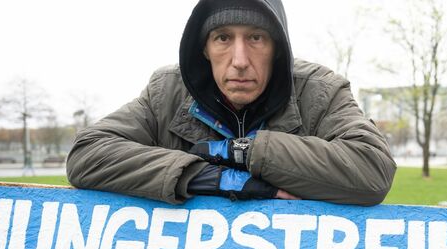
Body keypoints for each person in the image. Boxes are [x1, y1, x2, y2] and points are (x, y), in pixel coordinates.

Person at [66, 0, 396, 206]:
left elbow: (371, 170)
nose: (239, 60)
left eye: (256, 38)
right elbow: (88, 154)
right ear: (205, 49)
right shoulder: (166, 91)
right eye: (223, 37)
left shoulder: (319, 92)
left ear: (277, 48)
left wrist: (242, 151)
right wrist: (213, 178)